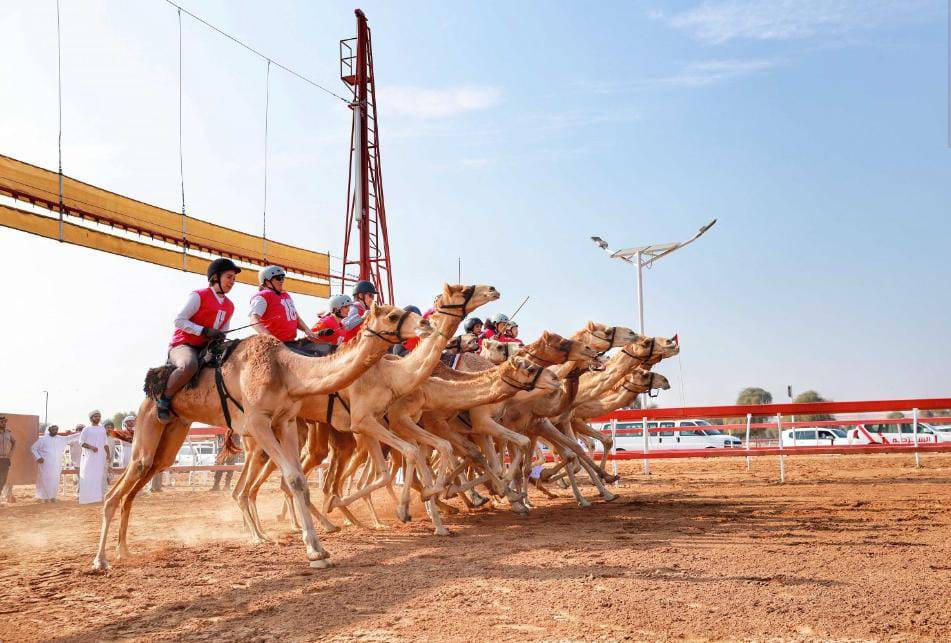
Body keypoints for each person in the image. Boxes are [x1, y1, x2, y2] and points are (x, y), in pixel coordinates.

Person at [157, 258, 240, 424]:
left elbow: (223, 331)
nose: (232, 282)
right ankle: (163, 400)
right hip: (183, 345)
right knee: (190, 365)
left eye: (234, 279)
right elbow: (179, 320)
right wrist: (203, 330)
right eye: (229, 277)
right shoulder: (198, 295)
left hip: (206, 348)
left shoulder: (230, 306)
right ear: (215, 277)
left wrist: (221, 336)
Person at [249, 265, 318, 344]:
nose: (282, 280)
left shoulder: (286, 295)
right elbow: (254, 320)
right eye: (278, 278)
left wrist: (307, 330)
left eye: (282, 277)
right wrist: (270, 338)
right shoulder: (262, 297)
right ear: (267, 282)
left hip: (291, 343)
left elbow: (295, 317)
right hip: (276, 345)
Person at [30, 425, 80, 502]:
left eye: (56, 429)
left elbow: (71, 437)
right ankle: (43, 497)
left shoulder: (60, 438)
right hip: (45, 464)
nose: (55, 431)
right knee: (44, 479)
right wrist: (38, 457)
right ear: (49, 430)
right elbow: (33, 448)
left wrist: (82, 433)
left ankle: (53, 497)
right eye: (53, 429)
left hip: (56, 464)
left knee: (55, 479)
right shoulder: (42, 439)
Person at [78, 410, 109, 504]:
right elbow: (81, 442)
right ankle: (87, 498)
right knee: (88, 475)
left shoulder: (102, 429)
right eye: (95, 416)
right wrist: (91, 447)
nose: (97, 418)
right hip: (89, 457)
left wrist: (108, 453)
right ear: (91, 418)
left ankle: (97, 497)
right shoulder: (86, 429)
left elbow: (105, 443)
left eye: (99, 416)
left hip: (100, 457)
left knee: (98, 476)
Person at [0, 415, 15, 502]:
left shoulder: (8, 433)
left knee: (3, 479)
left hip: (5, 459)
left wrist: (11, 453)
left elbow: (14, 442)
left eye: (5, 422)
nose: (4, 423)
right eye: (2, 422)